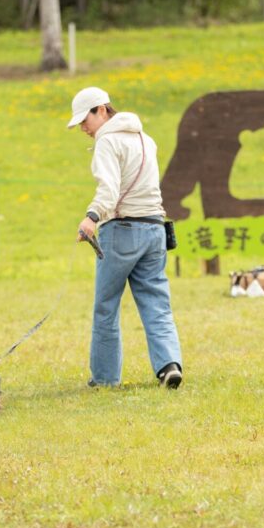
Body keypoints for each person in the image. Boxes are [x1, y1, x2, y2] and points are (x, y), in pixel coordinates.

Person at [68, 86, 183, 388]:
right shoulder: (147, 139)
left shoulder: (107, 141)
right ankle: (169, 365)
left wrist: (91, 217)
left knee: (106, 306)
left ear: (102, 110)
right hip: (155, 229)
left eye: (85, 119)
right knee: (156, 303)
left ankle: (105, 378)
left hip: (122, 231)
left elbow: (109, 188)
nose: (83, 127)